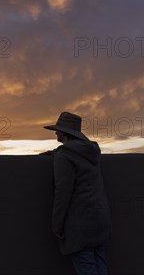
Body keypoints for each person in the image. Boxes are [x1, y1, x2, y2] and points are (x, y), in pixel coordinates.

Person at [44, 111, 112, 275]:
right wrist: (55, 153)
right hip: (99, 220)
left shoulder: (65, 156)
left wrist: (57, 226)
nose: (55, 132)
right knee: (100, 266)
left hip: (80, 226)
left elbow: (63, 193)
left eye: (58, 129)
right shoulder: (90, 152)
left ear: (64, 133)